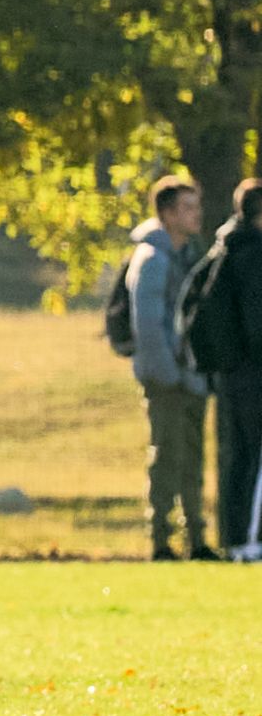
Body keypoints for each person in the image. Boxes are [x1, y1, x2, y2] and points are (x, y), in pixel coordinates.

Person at [121, 175, 210, 561]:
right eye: (188, 207)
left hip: (192, 376)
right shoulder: (153, 260)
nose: (197, 215)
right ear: (168, 213)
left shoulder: (191, 254)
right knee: (166, 458)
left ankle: (197, 539)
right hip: (168, 380)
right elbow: (148, 326)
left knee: (193, 458)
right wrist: (170, 375)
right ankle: (160, 539)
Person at [181, 179, 262, 561]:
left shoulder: (225, 248)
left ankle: (237, 538)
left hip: (231, 372)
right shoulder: (253, 253)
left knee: (237, 454)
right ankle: (247, 541)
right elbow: (256, 321)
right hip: (251, 371)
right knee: (251, 456)